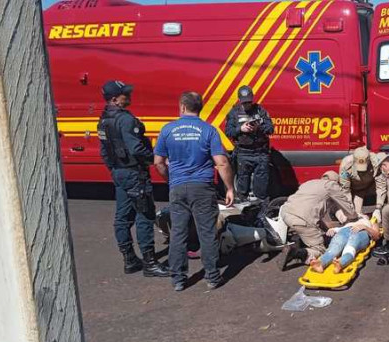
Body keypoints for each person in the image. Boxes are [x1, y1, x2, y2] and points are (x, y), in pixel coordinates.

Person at [153, 92, 236, 292]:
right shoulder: (209, 130)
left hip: (178, 187)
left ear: (182, 107)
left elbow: (158, 162)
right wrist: (230, 188)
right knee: (206, 232)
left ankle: (178, 279)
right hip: (202, 187)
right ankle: (212, 277)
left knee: (178, 232)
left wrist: (171, 180)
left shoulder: (167, 130)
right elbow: (222, 162)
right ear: (200, 107)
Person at [97, 80, 169, 278]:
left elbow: (104, 151)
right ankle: (150, 263)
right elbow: (136, 148)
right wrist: (155, 159)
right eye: (125, 94)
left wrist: (114, 169)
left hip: (119, 173)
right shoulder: (125, 120)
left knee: (122, 217)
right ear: (114, 99)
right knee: (144, 215)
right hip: (134, 173)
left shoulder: (103, 120)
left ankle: (129, 260)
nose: (128, 96)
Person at [280, 171, 358, 269]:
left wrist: (326, 230)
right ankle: (296, 252)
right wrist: (354, 218)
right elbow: (346, 205)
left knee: (308, 229)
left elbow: (314, 215)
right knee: (320, 250)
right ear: (335, 181)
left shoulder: (310, 183)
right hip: (301, 220)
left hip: (286, 213)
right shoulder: (331, 185)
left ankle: (301, 240)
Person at [224, 85, 274, 201]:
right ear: (239, 100)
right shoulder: (234, 112)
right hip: (243, 154)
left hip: (260, 153)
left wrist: (258, 127)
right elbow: (228, 132)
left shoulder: (260, 111)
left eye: (249, 102)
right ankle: (243, 207)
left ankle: (261, 209)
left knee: (261, 191)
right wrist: (240, 129)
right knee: (242, 190)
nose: (247, 105)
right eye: (244, 102)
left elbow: (270, 129)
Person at [309, 215, 380, 274]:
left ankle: (341, 262)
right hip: (344, 230)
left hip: (361, 232)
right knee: (333, 249)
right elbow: (339, 227)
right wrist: (332, 229)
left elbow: (377, 236)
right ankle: (320, 263)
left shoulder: (372, 221)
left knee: (350, 248)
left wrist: (365, 227)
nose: (361, 214)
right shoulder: (351, 219)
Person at [338, 146, 388, 218]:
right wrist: (350, 208)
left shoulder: (376, 162)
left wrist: (378, 207)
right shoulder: (346, 165)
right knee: (355, 215)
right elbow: (345, 190)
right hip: (355, 189)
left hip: (371, 186)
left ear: (369, 160)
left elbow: (381, 185)